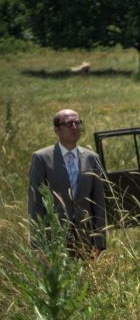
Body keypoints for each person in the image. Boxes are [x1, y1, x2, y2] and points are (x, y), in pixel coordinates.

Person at [28, 109, 107, 256]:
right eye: (69, 123)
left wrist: (99, 241)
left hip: (86, 238)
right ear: (56, 130)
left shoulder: (92, 158)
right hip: (54, 238)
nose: (75, 127)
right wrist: (37, 244)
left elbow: (99, 202)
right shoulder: (42, 158)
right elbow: (35, 203)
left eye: (77, 122)